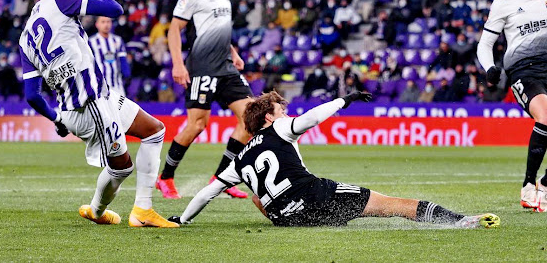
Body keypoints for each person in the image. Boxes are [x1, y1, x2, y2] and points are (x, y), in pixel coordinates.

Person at [169, 91, 500, 229]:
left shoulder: (239, 159)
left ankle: (301, 215)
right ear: (270, 117)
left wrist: (183, 220)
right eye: (281, 109)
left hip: (287, 218)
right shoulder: (281, 128)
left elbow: (207, 193)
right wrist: (345, 99)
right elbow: (311, 119)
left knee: (258, 195)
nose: (287, 112)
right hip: (314, 196)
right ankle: (458, 220)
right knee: (391, 204)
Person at [19, 0, 177, 227]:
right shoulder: (58, 0)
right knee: (122, 167)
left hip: (92, 99)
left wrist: (57, 119)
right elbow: (115, 9)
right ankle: (97, 210)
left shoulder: (25, 38)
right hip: (89, 104)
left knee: (154, 130)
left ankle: (142, 210)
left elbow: (32, 95)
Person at [157, 0, 253, 199]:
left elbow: (219, 28)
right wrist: (178, 64)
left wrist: (233, 52)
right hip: (202, 68)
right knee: (198, 125)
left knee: (251, 118)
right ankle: (165, 177)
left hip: (226, 66)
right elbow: (175, 30)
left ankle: (222, 178)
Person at [477, 0, 547, 212]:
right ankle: (529, 186)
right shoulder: (504, 3)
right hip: (524, 71)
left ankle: (545, 183)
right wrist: (490, 68)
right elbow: (485, 44)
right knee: (546, 115)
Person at [89, 16, 130, 96]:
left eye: (108, 22)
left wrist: (127, 74)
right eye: (103, 22)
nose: (106, 25)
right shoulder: (91, 42)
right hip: (99, 86)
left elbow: (123, 60)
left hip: (117, 85)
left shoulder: (117, 40)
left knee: (121, 108)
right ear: (97, 24)